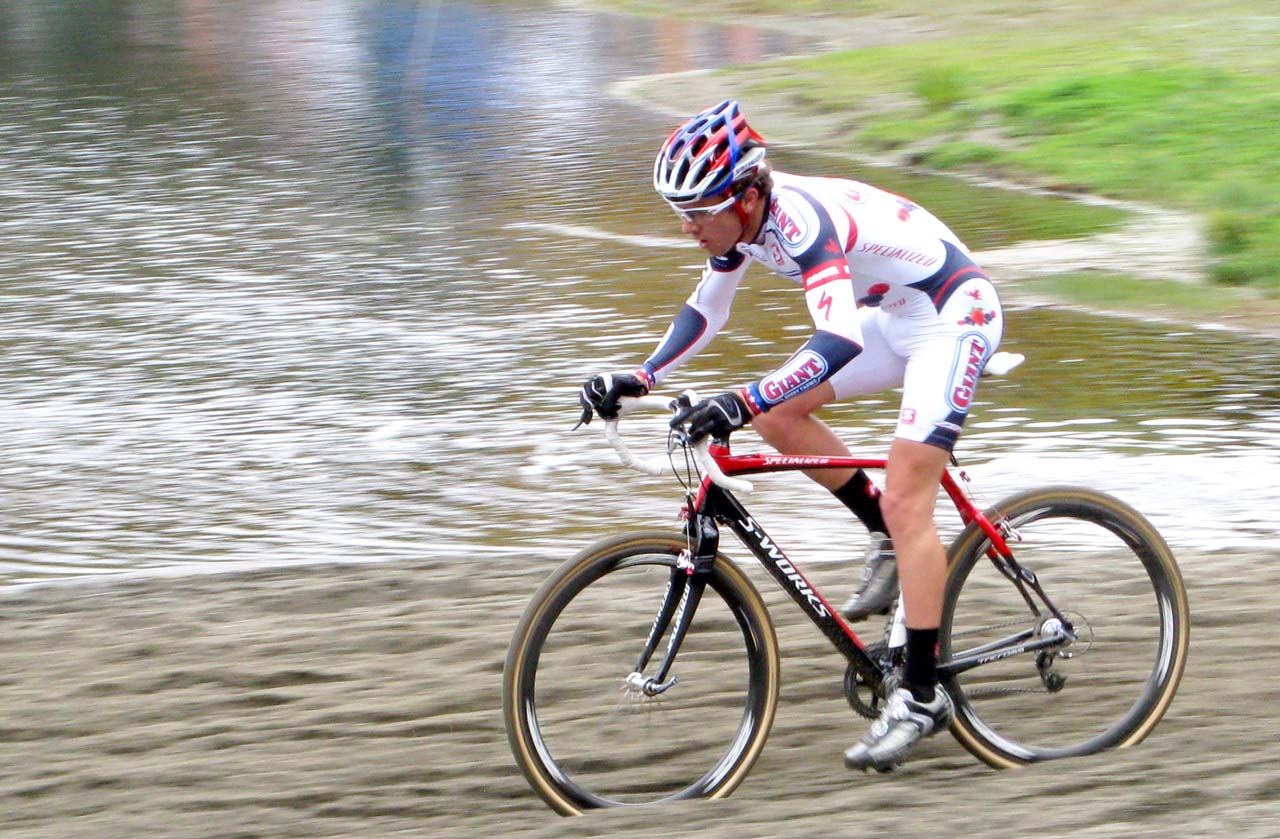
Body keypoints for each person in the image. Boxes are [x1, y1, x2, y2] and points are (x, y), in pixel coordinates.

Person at [576, 100, 1004, 772]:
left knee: (906, 499)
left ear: (747, 198)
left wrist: (739, 398)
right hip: (896, 314)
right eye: (678, 213)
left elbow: (837, 338)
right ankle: (885, 534)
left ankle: (921, 696)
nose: (687, 227)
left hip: (953, 316)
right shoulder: (743, 227)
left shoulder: (800, 224)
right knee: (776, 415)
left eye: (698, 211)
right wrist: (641, 375)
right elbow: (706, 308)